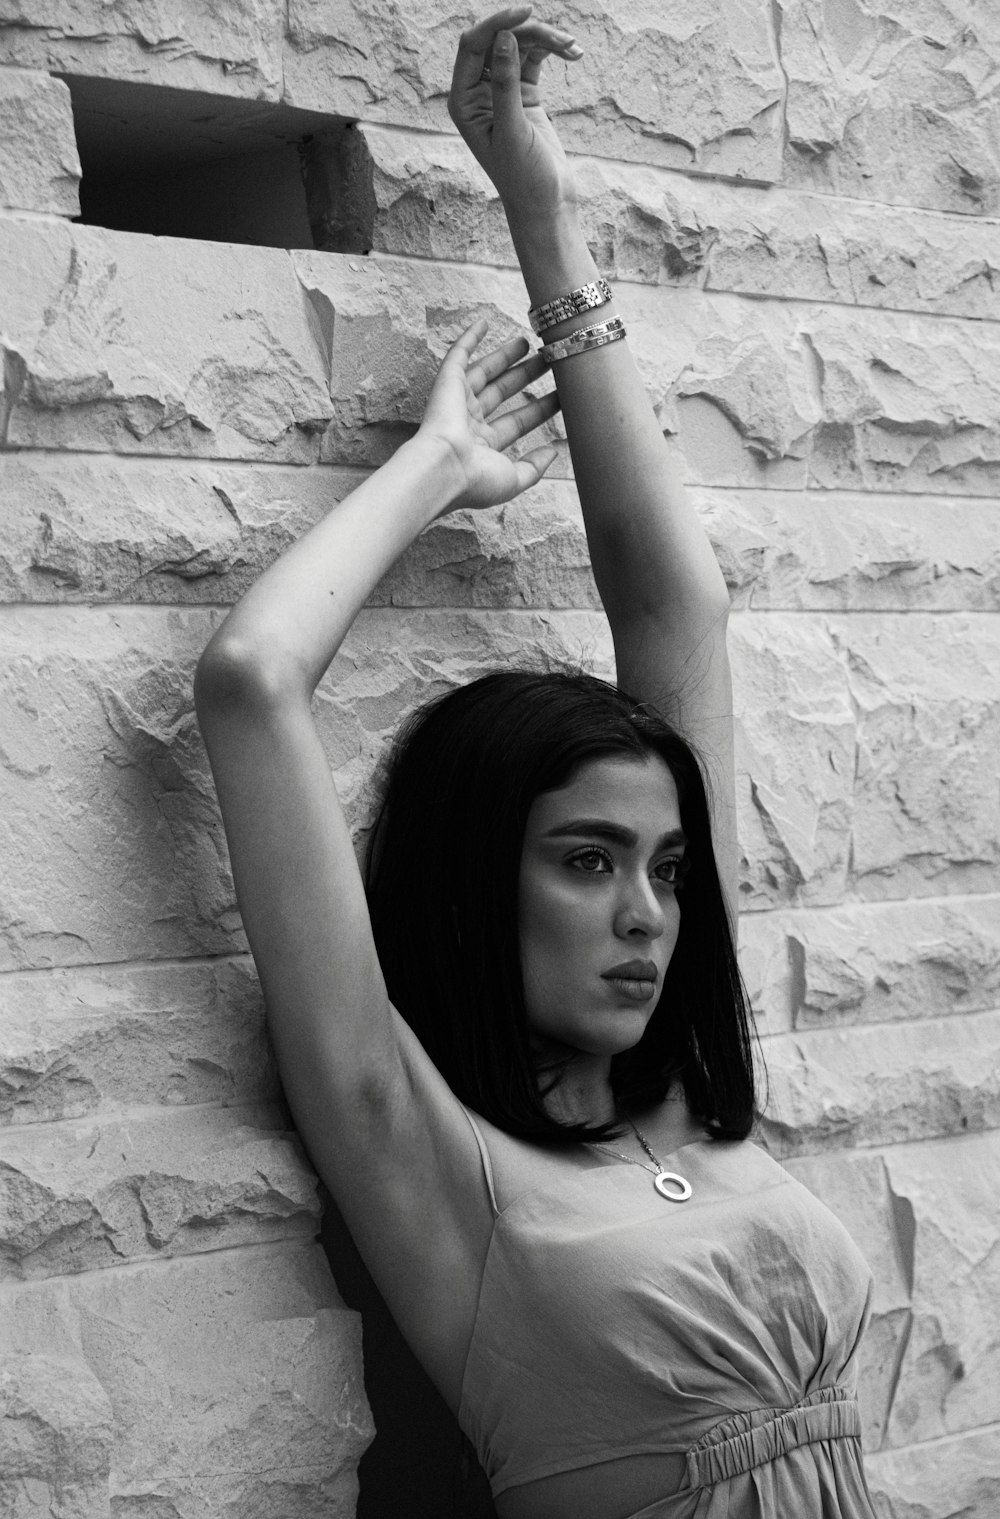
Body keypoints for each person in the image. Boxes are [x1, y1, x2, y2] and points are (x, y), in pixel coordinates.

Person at [194, 8, 878, 1516]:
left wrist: (540, 212)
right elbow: (253, 684)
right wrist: (442, 463)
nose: (649, 913)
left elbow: (675, 608)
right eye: (586, 861)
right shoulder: (435, 1162)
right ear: (471, 881)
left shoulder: (695, 1092)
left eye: (668, 869)